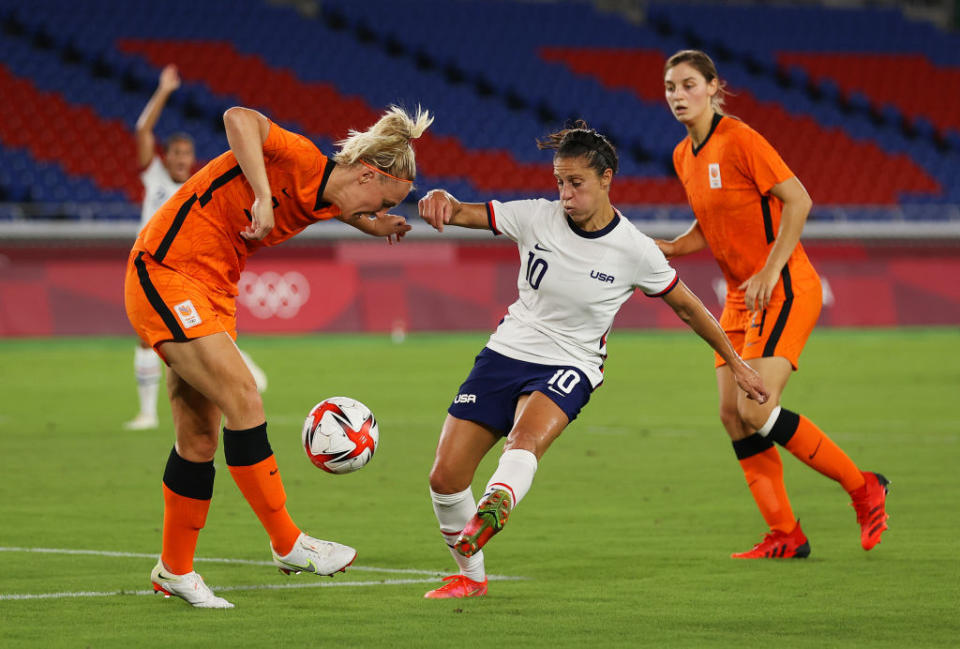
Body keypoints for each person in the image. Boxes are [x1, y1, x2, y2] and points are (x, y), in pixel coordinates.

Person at [416, 121, 769, 599]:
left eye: (576, 182)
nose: (565, 193)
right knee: (445, 477)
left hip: (572, 363)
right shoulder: (536, 216)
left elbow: (688, 305)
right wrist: (439, 197)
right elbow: (461, 212)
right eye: (560, 182)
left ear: (606, 179)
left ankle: (498, 500)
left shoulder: (635, 250)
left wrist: (738, 364)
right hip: (506, 352)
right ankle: (471, 576)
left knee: (524, 439)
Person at [124, 103, 431, 607]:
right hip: (168, 268)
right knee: (245, 397)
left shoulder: (329, 198)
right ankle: (288, 542)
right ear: (366, 174)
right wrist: (263, 197)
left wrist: (373, 226)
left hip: (214, 287)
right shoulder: (303, 159)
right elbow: (236, 117)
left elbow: (338, 207)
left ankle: (175, 570)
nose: (379, 209)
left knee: (198, 437)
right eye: (382, 200)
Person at [658, 49, 889, 559]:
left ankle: (864, 487)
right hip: (741, 298)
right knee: (731, 413)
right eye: (671, 86)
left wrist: (768, 268)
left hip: (782, 286)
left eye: (689, 84)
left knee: (755, 406)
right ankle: (786, 533)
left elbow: (799, 199)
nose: (679, 95)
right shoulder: (682, 156)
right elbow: (715, 222)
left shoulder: (740, 139)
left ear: (714, 88)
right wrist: (674, 247)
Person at [125, 64, 266, 431]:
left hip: (192, 273)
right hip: (155, 271)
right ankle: (147, 413)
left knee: (200, 336)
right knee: (148, 339)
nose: (180, 158)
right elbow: (142, 130)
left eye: (186, 153)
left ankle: (239, 366)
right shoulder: (154, 177)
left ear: (192, 158)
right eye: (175, 152)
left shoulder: (200, 190)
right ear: (166, 156)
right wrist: (164, 91)